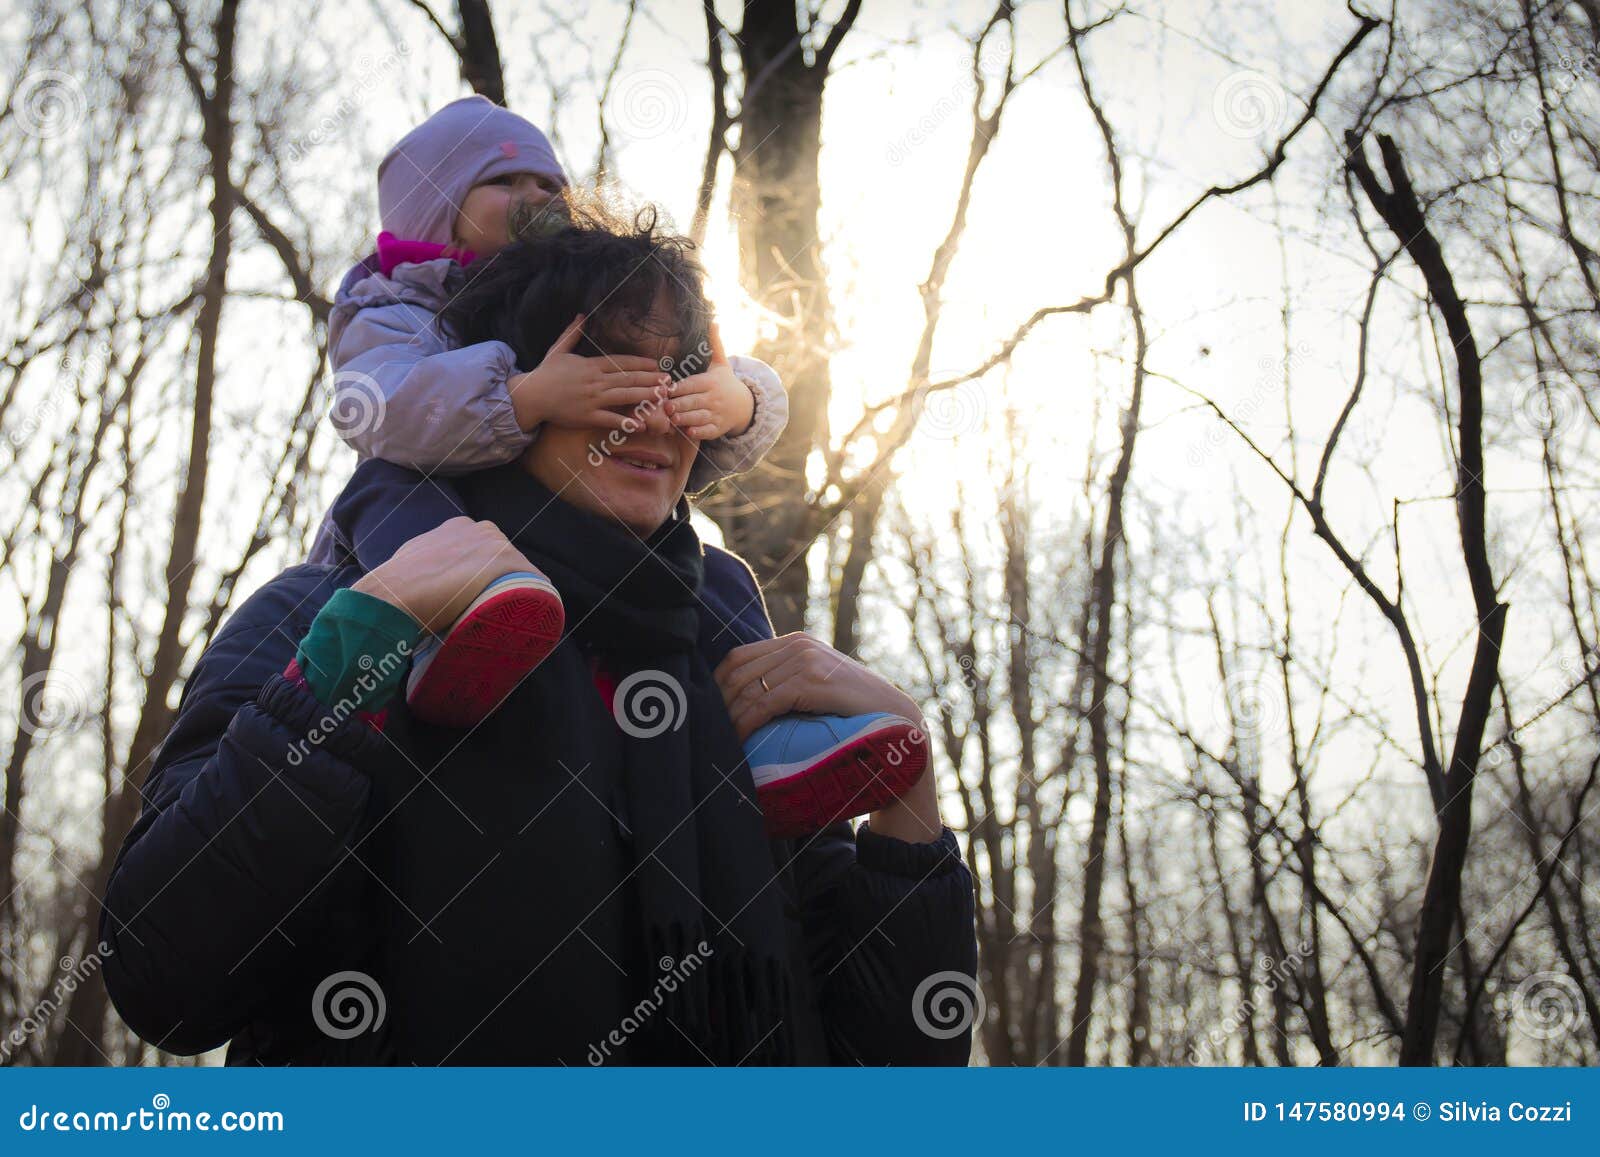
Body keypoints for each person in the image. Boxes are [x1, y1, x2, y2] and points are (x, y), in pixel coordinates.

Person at [98, 210, 978, 1065]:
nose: (657, 414)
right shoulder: (328, 614)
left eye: (682, 379)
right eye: (611, 372)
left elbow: (896, 1072)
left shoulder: (747, 677)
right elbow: (164, 979)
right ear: (507, 391)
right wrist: (346, 658)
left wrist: (908, 810)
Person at [319, 95, 918, 834]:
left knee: (716, 573)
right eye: (505, 184)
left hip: (550, 537)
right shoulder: (391, 305)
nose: (537, 199)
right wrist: (525, 394)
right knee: (391, 488)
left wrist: (739, 400)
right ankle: (453, 632)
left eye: (550, 185)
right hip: (425, 518)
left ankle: (765, 731)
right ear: (431, 210)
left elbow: (657, 425)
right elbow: (383, 405)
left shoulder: (586, 292)